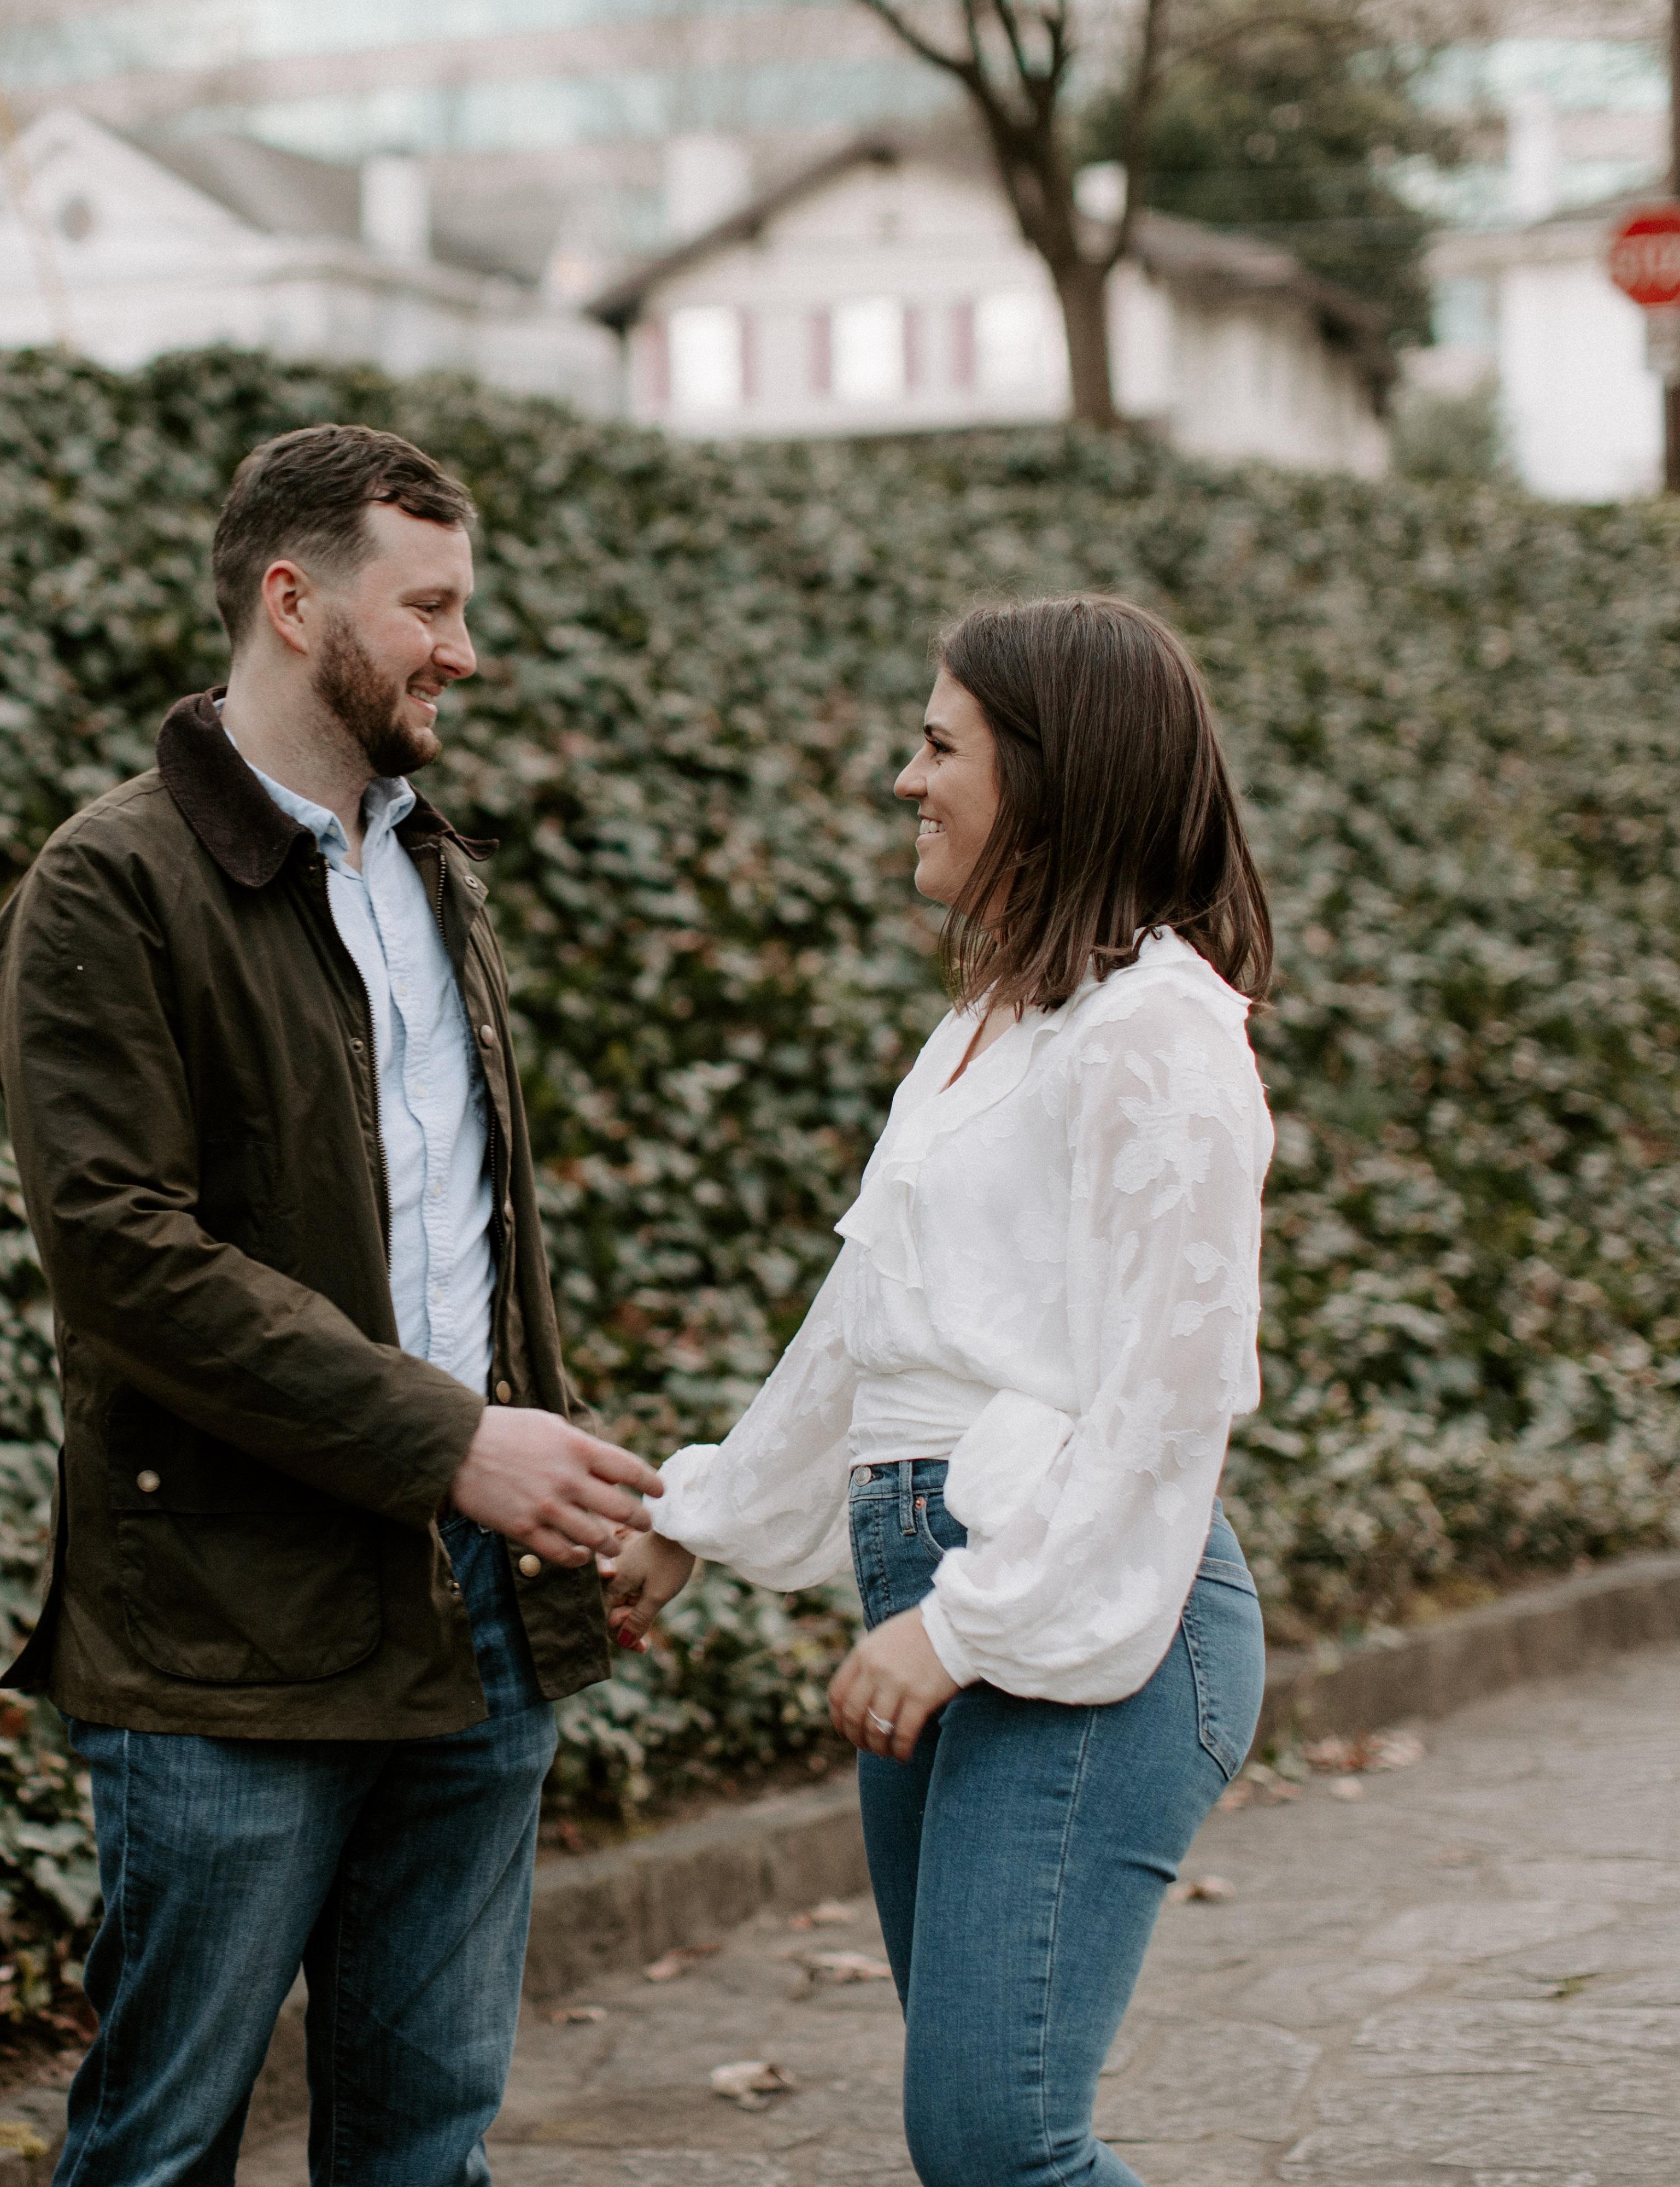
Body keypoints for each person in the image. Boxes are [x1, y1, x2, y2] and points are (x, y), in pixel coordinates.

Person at [0, 423, 660, 2187]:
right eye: (428, 605)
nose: (464, 646)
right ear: (293, 602)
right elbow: (126, 1258)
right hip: (223, 1647)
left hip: (477, 1631)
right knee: (160, 2152)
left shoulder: (440, 873)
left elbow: (473, 1236)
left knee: (426, 2142)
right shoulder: (110, 886)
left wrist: (559, 1512)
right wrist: (454, 1447)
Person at [602, 594, 1274, 2187]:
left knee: (996, 2140)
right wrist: (697, 1515)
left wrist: (968, 1623)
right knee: (983, 2144)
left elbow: (1163, 1405)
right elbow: (867, 1326)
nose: (907, 780)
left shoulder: (1161, 1033)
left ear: (1048, 779)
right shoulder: (989, 1027)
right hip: (959, 1591)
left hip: (1093, 1624)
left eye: (938, 745)